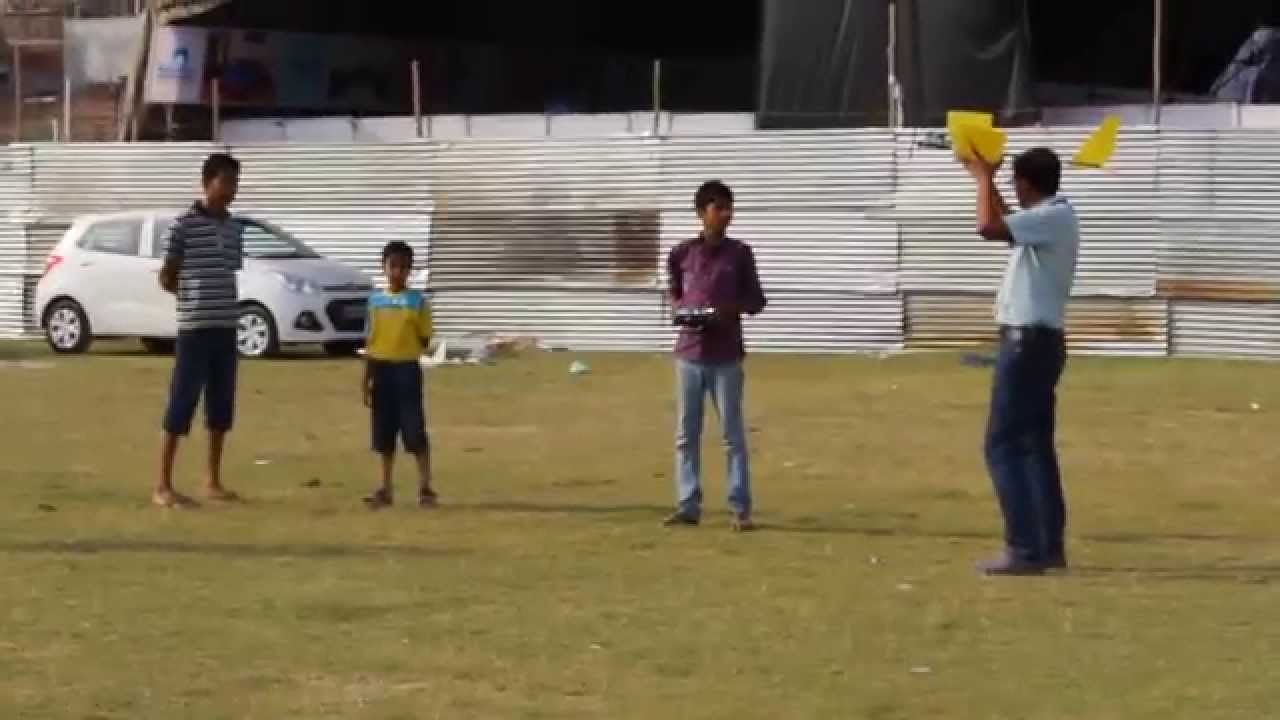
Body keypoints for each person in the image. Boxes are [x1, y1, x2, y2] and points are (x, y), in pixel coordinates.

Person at [960, 145, 1080, 575]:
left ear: (1026, 183)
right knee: (1034, 448)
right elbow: (1007, 221)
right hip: (1040, 342)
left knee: (1002, 446)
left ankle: (1024, 548)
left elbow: (988, 226)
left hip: (1026, 343)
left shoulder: (1050, 217)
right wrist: (988, 179)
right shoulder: (1052, 218)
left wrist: (979, 178)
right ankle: (1047, 547)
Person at [664, 180, 767, 532]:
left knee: (732, 435)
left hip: (726, 357)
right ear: (701, 212)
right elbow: (675, 293)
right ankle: (688, 505)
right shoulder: (682, 254)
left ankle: (740, 508)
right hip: (689, 355)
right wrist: (684, 310)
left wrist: (729, 310)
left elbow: (757, 301)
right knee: (685, 434)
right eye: (718, 207)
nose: (725, 214)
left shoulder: (740, 254)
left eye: (729, 208)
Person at [155, 153, 245, 508]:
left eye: (235, 183)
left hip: (226, 327)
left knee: (220, 408)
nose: (232, 190)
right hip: (195, 328)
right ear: (207, 182)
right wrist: (190, 296)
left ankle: (212, 480)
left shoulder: (235, 228)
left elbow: (229, 271)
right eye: (226, 182)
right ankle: (162, 485)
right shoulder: (183, 226)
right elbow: (167, 275)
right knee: (181, 404)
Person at [361, 241, 436, 509]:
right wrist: (366, 378)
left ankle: (425, 486)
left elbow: (424, 338)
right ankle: (385, 487)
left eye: (404, 267)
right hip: (381, 370)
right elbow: (370, 340)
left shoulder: (416, 302)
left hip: (406, 370)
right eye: (393, 266)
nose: (398, 272)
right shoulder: (375, 301)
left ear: (410, 270)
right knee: (383, 433)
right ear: (384, 267)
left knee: (414, 430)